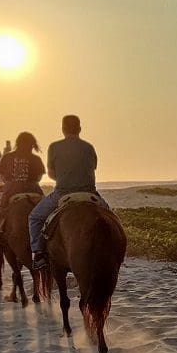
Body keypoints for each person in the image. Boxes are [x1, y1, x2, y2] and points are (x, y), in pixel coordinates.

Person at [28, 115, 106, 269]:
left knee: (35, 218)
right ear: (79, 129)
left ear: (63, 129)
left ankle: (39, 253)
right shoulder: (89, 147)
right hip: (90, 193)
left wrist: (64, 175)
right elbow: (93, 167)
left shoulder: (54, 147)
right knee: (112, 217)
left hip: (63, 193)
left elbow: (52, 174)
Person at [0, 132, 45, 255]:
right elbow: (39, 177)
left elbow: (2, 176)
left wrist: (11, 183)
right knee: (48, 212)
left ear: (17, 143)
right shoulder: (36, 159)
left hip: (11, 189)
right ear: (32, 144)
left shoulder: (7, 157)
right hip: (34, 190)